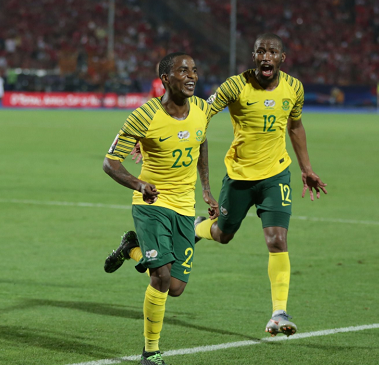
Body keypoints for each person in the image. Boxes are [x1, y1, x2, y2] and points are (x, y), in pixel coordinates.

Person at [194, 33, 328, 337]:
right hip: (239, 176)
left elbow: (295, 126)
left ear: (282, 58)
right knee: (223, 234)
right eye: (260, 52)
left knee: (277, 240)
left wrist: (306, 168)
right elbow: (201, 112)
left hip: (276, 175)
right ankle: (197, 227)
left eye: (272, 52)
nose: (266, 57)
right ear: (254, 57)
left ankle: (278, 313)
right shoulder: (234, 86)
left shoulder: (294, 88)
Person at [102, 52, 218, 365]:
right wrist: (138, 184)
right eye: (183, 71)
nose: (192, 76)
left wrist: (206, 189)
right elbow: (110, 162)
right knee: (161, 278)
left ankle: (131, 248)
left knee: (176, 288)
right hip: (151, 203)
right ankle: (150, 352)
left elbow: (201, 142)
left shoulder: (202, 110)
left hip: (184, 205)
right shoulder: (144, 116)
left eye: (194, 69)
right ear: (166, 79)